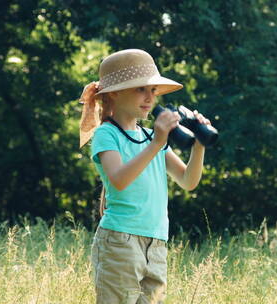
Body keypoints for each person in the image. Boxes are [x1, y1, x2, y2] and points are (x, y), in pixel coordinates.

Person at [78, 49, 211, 304]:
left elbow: (188, 181)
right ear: (115, 92)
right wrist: (158, 142)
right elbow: (118, 180)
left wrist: (199, 144)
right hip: (120, 242)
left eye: (153, 90)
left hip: (156, 243)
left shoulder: (151, 136)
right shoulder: (108, 134)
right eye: (141, 89)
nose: (150, 97)